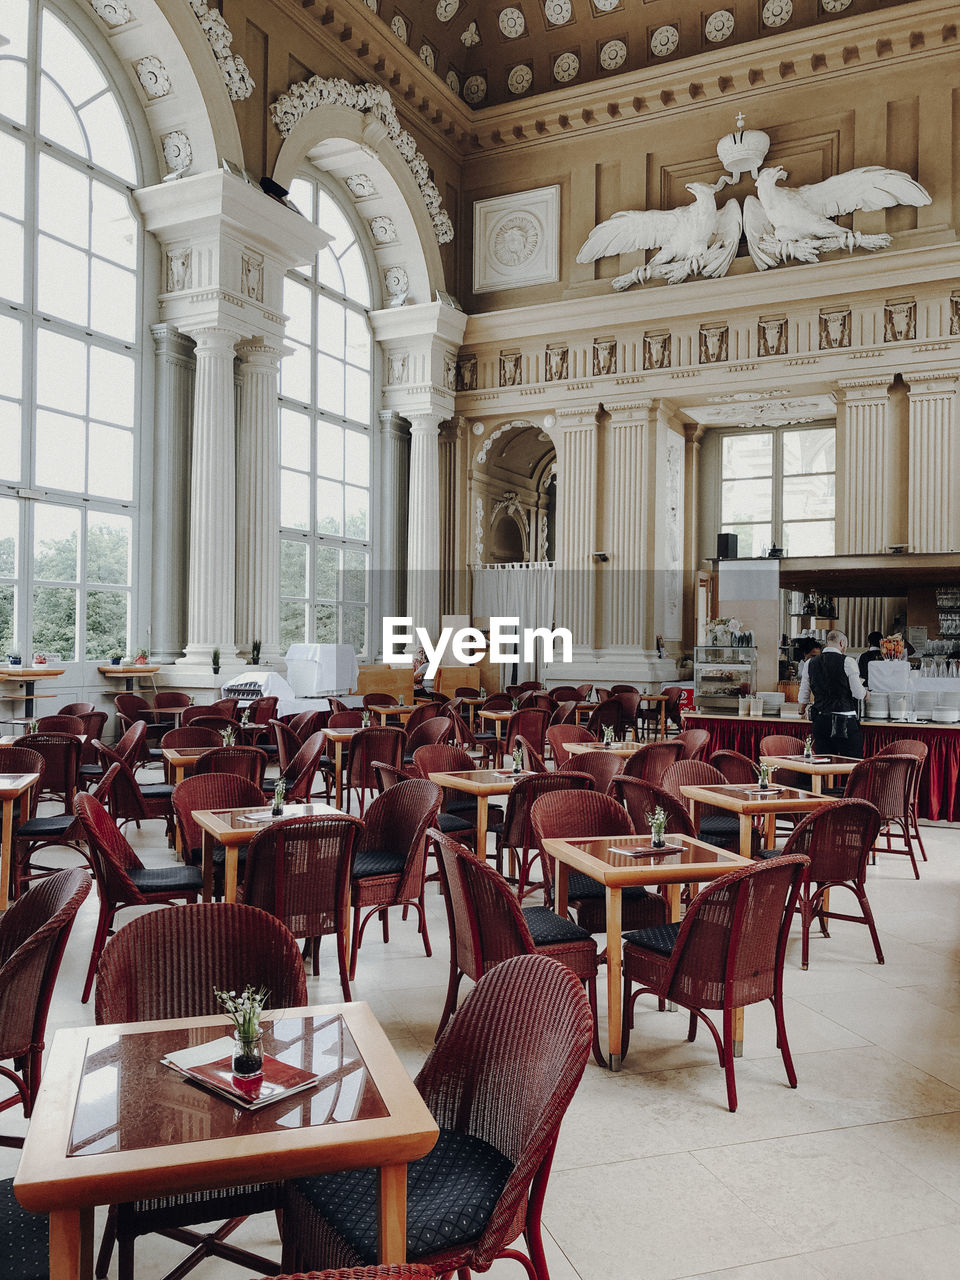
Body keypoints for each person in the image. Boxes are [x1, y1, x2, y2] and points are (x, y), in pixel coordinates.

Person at [799, 629, 868, 757]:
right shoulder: (848, 661)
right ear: (842, 643)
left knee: (823, 763)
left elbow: (804, 693)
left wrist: (801, 711)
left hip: (820, 720)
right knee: (851, 763)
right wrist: (866, 694)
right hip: (845, 721)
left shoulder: (810, 663)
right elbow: (858, 694)